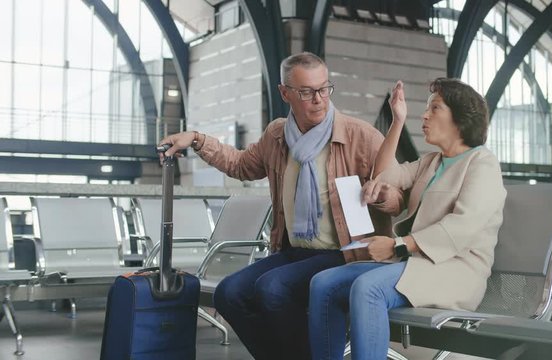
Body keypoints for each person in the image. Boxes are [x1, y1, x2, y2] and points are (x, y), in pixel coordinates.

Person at [158, 52, 396, 360]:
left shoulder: (359, 136)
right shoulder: (278, 135)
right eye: (306, 92)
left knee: (273, 288)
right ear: (285, 93)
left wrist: (381, 196)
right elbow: (241, 165)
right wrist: (196, 139)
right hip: (293, 251)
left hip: (345, 253)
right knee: (228, 294)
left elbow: (398, 194)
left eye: (324, 89)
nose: (319, 100)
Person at [308, 78, 507, 360]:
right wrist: (397, 121)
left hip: (457, 271)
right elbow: (385, 175)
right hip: (417, 264)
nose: (424, 115)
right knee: (323, 284)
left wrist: (397, 246)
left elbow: (462, 227)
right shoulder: (431, 162)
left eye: (435, 108)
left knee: (368, 289)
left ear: (460, 118)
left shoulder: (482, 164)